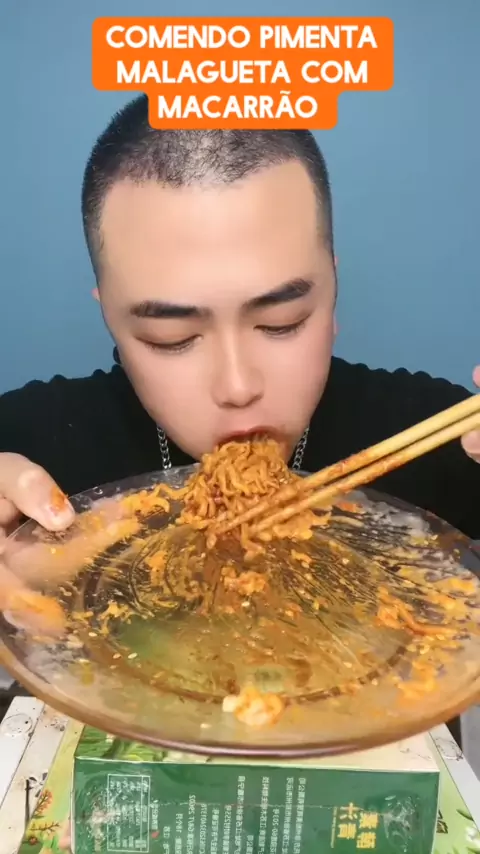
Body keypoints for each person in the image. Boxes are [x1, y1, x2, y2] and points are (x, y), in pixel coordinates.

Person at [0, 94, 479, 745]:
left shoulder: (443, 440)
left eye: (282, 322)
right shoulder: (30, 457)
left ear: (332, 290)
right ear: (109, 314)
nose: (237, 386)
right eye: (170, 337)